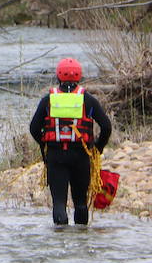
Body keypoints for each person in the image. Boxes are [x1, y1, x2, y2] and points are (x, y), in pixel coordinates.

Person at [29, 57, 112, 226]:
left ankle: (61, 241)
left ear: (58, 76)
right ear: (79, 77)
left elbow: (34, 128)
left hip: (56, 156)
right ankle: (80, 241)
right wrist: (98, 148)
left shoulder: (48, 100)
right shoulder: (88, 100)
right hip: (81, 156)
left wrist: (44, 144)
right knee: (81, 202)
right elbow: (106, 127)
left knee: (59, 203)